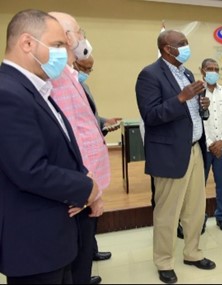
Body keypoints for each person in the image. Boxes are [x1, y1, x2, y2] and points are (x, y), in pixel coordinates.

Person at [0, 9, 98, 284]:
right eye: (56, 46)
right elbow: (29, 169)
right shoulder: (8, 92)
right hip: (34, 243)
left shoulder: (36, 88)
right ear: (27, 43)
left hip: (54, 237)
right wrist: (86, 187)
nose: (63, 53)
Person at [135, 29, 215, 284]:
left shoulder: (188, 73)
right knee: (167, 213)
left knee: (195, 209)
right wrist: (182, 97)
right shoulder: (149, 75)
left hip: (194, 148)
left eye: (186, 42)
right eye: (182, 44)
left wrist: (202, 107)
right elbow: (151, 115)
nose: (186, 47)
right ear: (167, 49)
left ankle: (192, 253)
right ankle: (164, 261)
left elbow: (192, 112)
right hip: (169, 153)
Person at [48, 11, 110, 284]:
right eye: (79, 31)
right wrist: (86, 188)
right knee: (76, 257)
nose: (83, 37)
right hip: (81, 188)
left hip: (88, 187)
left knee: (82, 252)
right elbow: (69, 139)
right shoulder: (55, 79)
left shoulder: (69, 75)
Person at [73, 55, 119, 285]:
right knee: (86, 214)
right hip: (82, 164)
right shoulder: (63, 88)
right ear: (73, 64)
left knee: (93, 212)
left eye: (90, 69)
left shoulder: (84, 86)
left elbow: (89, 117)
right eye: (84, 68)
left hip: (95, 164)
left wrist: (104, 120)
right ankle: (82, 268)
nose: (87, 73)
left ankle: (92, 250)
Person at [200, 58, 222, 232]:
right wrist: (210, 143)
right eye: (209, 68)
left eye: (216, 69)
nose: (213, 71)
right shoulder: (197, 92)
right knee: (199, 187)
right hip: (203, 148)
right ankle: (200, 218)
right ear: (202, 71)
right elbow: (198, 121)